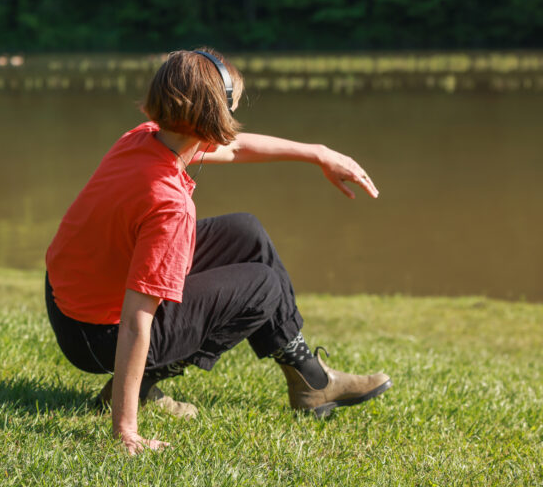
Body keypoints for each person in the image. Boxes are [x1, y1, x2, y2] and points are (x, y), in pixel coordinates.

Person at [45, 48, 391, 455]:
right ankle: (133, 393)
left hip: (71, 302)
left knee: (246, 232)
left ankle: (311, 381)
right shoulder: (169, 204)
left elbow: (237, 148)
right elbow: (137, 319)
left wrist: (318, 152)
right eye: (233, 106)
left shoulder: (143, 138)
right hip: (95, 333)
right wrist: (126, 431)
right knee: (262, 286)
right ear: (214, 119)